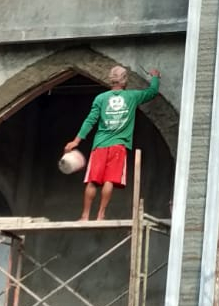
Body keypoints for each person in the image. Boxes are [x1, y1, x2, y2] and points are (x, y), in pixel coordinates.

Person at [62, 65, 159, 221]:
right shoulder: (132, 97)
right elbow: (152, 92)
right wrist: (155, 77)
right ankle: (101, 215)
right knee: (109, 180)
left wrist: (76, 141)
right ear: (125, 80)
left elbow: (90, 120)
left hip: (100, 145)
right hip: (118, 147)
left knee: (93, 180)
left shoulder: (101, 98)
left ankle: (85, 216)